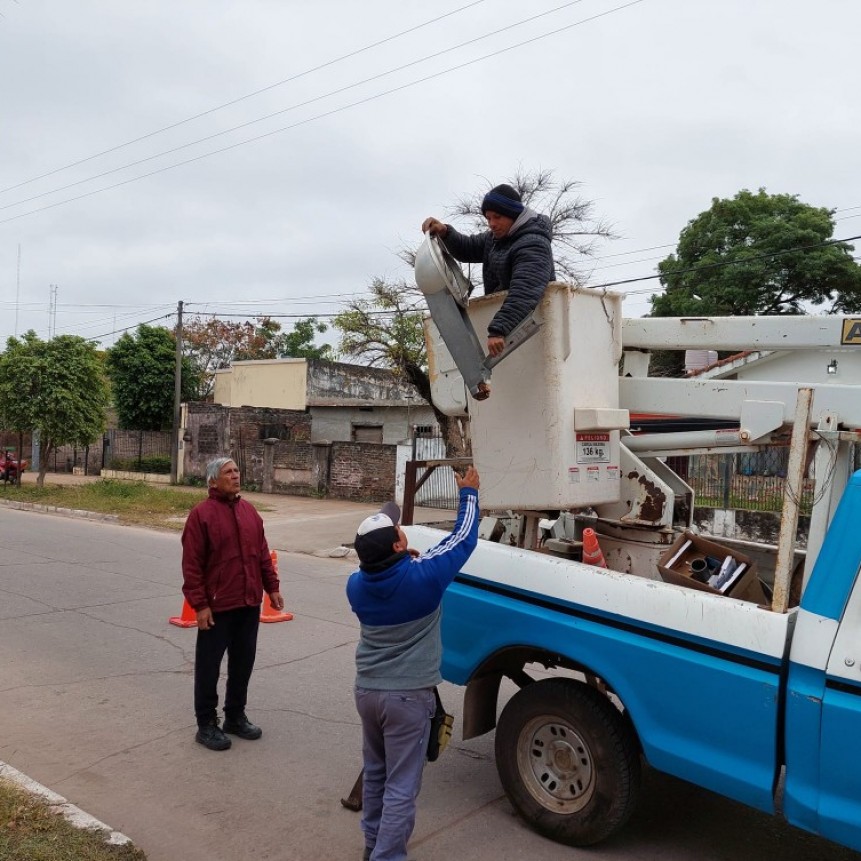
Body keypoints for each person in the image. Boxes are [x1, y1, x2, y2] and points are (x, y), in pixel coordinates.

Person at [346, 466, 480, 861]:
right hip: (406, 699)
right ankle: (387, 856)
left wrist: (403, 560)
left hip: (368, 691)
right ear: (398, 547)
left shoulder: (355, 586)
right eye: (399, 532)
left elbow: (383, 574)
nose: (403, 531)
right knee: (402, 784)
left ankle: (372, 845)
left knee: (376, 773)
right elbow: (462, 539)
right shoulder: (425, 579)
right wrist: (468, 493)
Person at [181, 456, 284, 751]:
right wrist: (199, 605)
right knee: (209, 667)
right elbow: (192, 566)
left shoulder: (250, 512)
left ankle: (235, 717)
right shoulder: (201, 515)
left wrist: (272, 588)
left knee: (243, 664)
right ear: (213, 480)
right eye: (228, 472)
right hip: (216, 607)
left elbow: (262, 555)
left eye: (237, 471)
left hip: (248, 603)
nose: (236, 476)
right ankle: (206, 724)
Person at [422, 183, 555, 358]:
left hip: (532, 329)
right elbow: (467, 248)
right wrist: (445, 231)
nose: (492, 224)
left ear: (513, 215)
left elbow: (524, 290)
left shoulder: (533, 243)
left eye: (497, 217)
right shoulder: (496, 238)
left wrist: (499, 329)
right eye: (488, 218)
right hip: (511, 330)